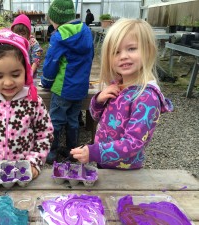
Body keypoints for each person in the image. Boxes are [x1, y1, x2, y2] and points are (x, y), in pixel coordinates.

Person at [70, 18, 174, 169]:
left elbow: (133, 143)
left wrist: (94, 152)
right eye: (116, 52)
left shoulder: (147, 97)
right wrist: (98, 100)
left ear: (148, 50)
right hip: (106, 164)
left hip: (125, 171)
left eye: (131, 49)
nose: (123, 56)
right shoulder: (118, 85)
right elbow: (95, 116)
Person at [0, 28, 54, 181]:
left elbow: (44, 135)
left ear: (26, 71)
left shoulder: (33, 102)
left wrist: (34, 162)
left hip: (26, 175)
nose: (8, 82)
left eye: (15, 74)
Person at [41, 0, 94, 164]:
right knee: (73, 119)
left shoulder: (59, 36)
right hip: (80, 88)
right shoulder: (85, 31)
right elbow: (90, 58)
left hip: (63, 88)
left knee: (56, 120)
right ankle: (73, 151)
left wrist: (46, 82)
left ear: (55, 19)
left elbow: (51, 62)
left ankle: (52, 151)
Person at [11, 14, 43, 78]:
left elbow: (36, 60)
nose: (20, 36)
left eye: (23, 34)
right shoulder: (12, 41)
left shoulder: (33, 43)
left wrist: (30, 74)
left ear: (28, 33)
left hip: (29, 73)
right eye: (17, 34)